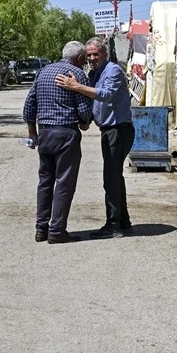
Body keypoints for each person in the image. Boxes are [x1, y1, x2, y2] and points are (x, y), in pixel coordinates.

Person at [55, 36, 134, 238]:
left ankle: (113, 226)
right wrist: (86, 119)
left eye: (95, 54)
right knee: (115, 176)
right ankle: (123, 221)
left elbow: (105, 95)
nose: (91, 58)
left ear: (105, 54)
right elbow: (93, 101)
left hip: (118, 130)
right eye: (89, 55)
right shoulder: (94, 73)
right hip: (108, 130)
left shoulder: (113, 71)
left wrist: (76, 86)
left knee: (111, 178)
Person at [23, 41, 93, 244]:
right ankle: (57, 230)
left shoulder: (43, 71)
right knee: (64, 182)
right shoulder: (77, 75)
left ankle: (41, 229)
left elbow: (30, 103)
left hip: (44, 133)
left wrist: (32, 132)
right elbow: (83, 108)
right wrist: (85, 122)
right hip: (66, 134)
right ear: (80, 58)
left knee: (45, 182)